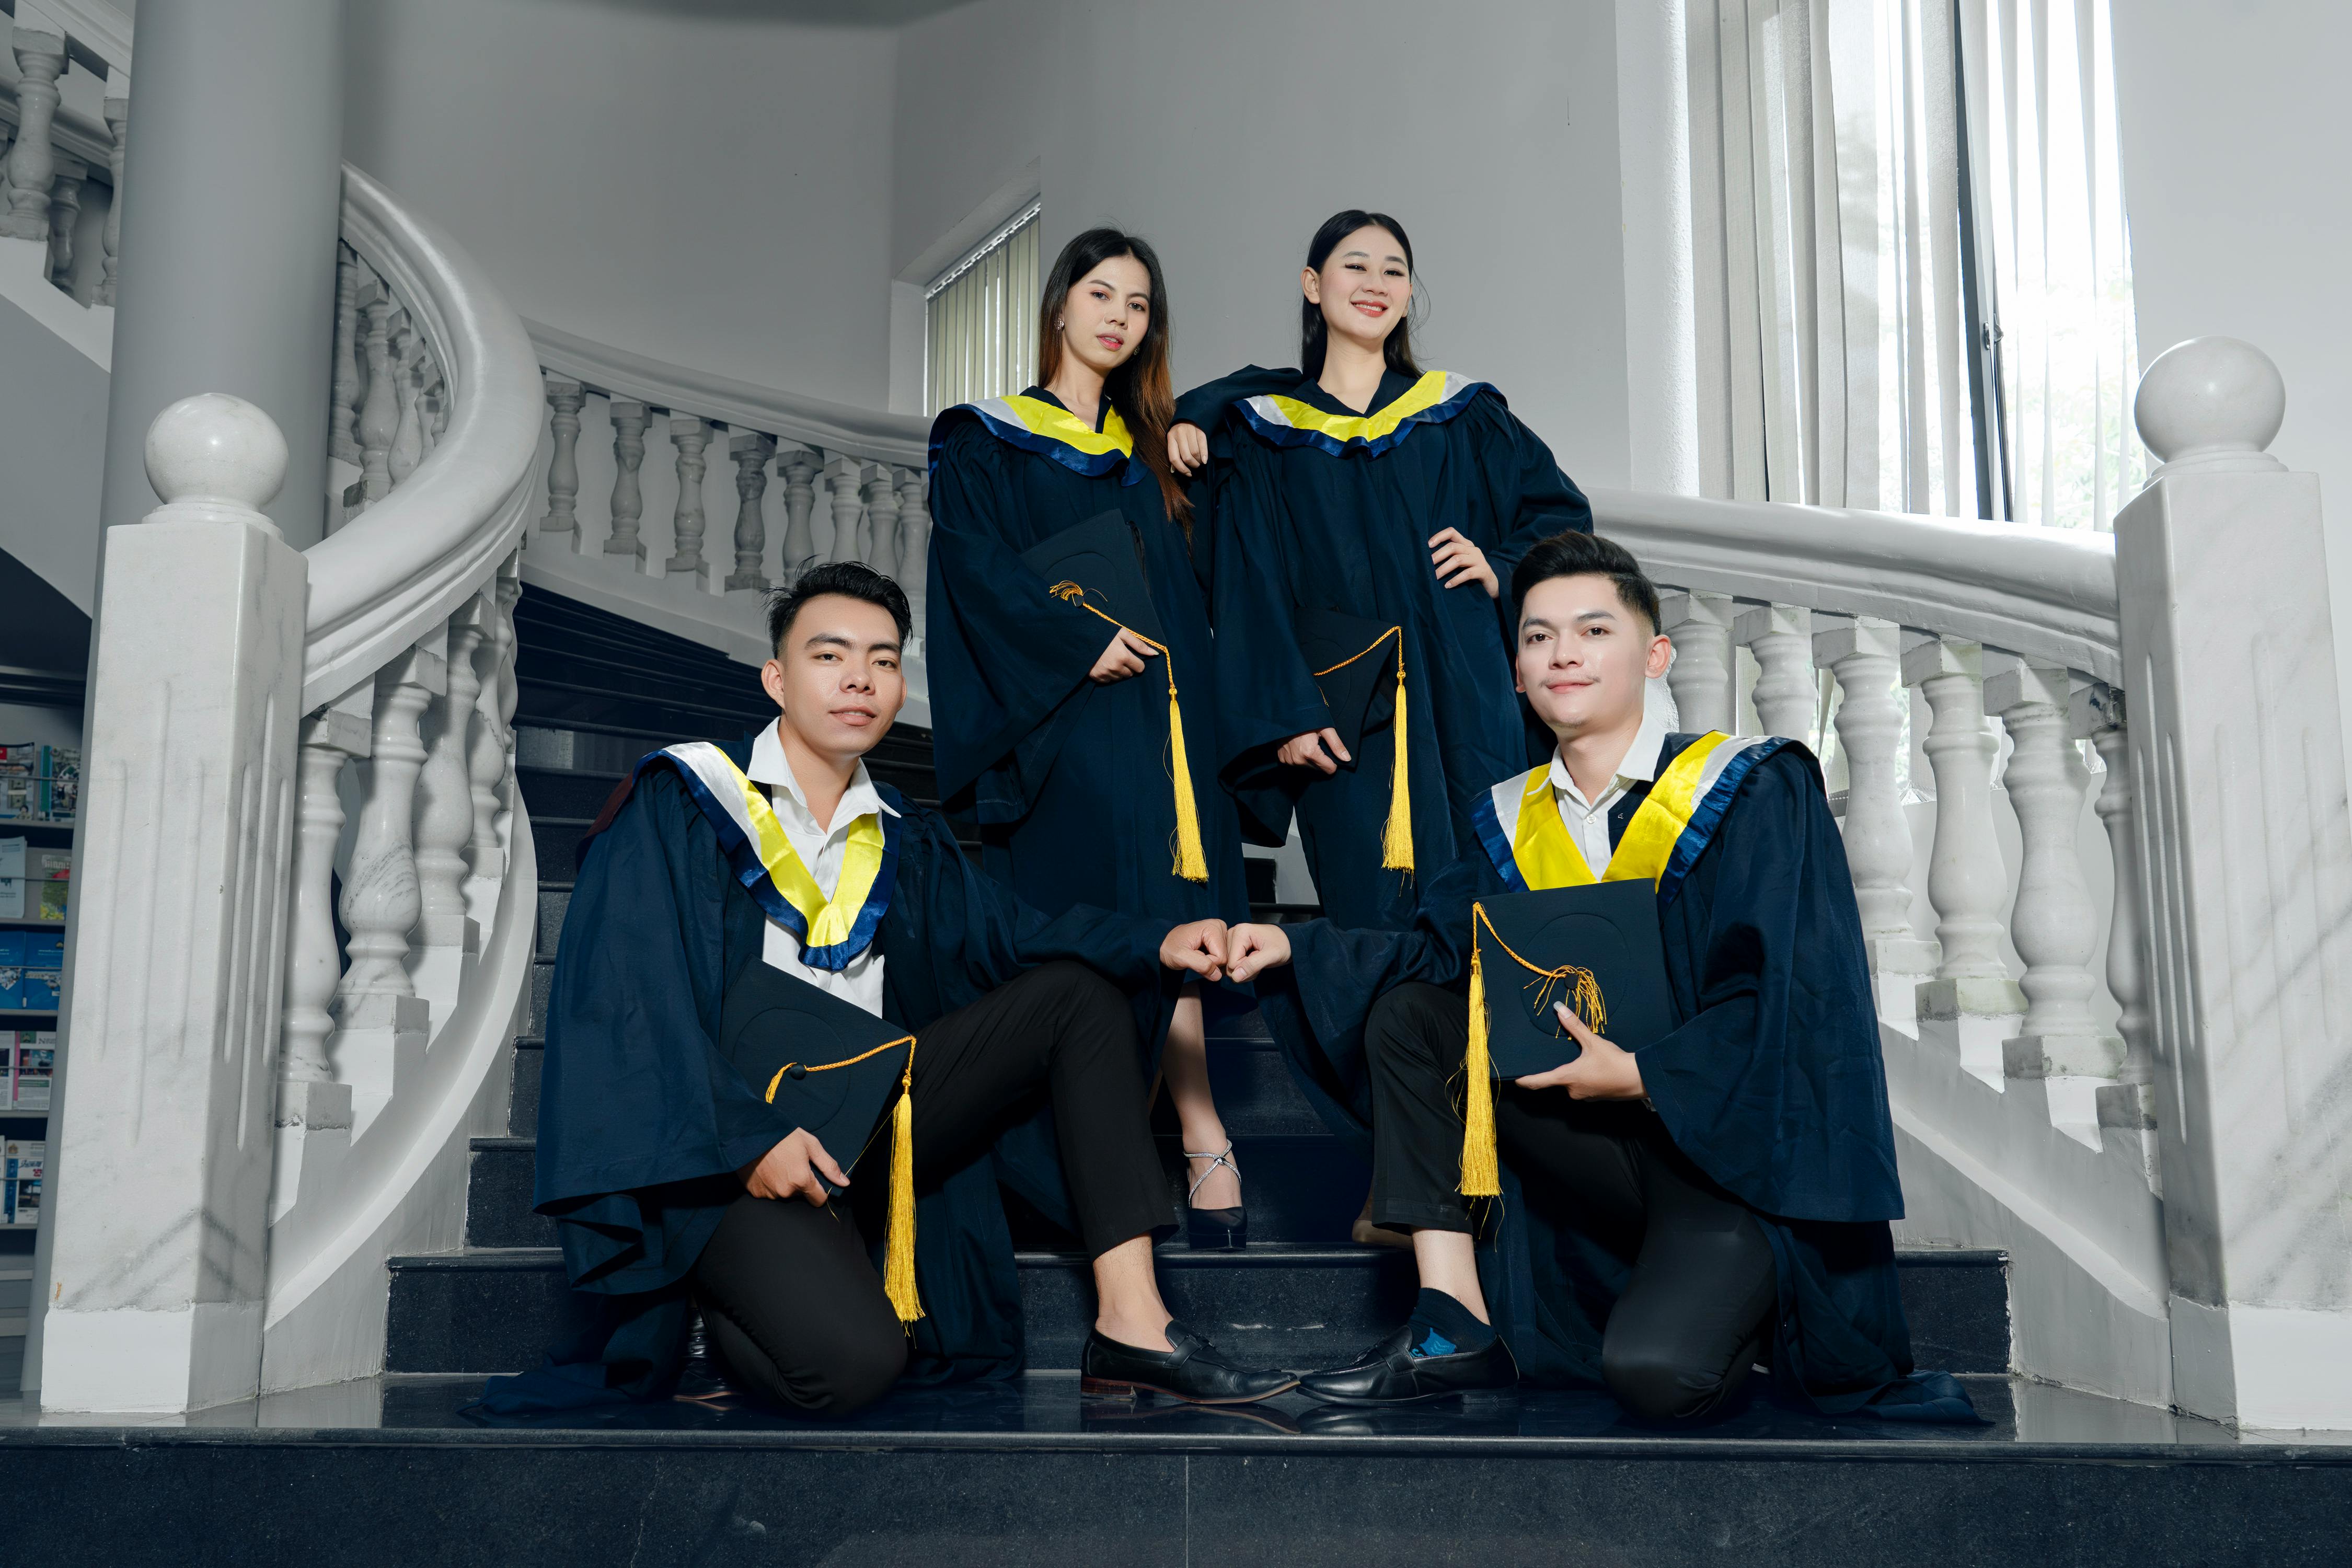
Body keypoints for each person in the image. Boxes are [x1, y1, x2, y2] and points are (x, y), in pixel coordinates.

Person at [485, 563, 1295, 1421]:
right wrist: (749, 1141)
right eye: (830, 656)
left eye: (882, 660)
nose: (859, 680)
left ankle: (1134, 1325)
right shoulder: (683, 800)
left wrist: (1158, 940)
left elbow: (1014, 933)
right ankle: (719, 1303)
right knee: (853, 1368)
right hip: (728, 1142)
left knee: (1076, 996)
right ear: (777, 678)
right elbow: (630, 1001)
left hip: (876, 1111)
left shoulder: (905, 837)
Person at [1218, 532, 1980, 1425]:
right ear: (1515, 672)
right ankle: (1452, 1322)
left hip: (1727, 1168)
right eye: (1538, 637)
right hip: (1589, 1163)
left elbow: (1800, 1002)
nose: (1563, 654)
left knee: (1658, 1380)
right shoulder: (1505, 820)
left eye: (1592, 630)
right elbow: (1434, 952)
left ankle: (1751, 1299)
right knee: (1413, 1016)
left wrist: (1646, 1073)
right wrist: (1294, 948)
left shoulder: (1754, 789)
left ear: (1654, 655)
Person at [1163, 211, 1594, 1189]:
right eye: (1354, 265)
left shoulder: (1461, 413)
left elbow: (1560, 515)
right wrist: (1281, 714)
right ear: (1312, 285)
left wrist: (1507, 564)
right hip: (1343, 723)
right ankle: (1403, 1171)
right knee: (1370, 932)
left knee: (1493, 918)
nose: (1376, 281)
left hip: (1469, 703)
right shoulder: (1267, 432)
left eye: (1394, 268)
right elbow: (1248, 582)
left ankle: (1506, 1168)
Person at [927, 228, 1256, 1246]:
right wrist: (1076, 641)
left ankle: (1194, 1125)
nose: (1119, 315)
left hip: (1162, 727)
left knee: (1180, 910)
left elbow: (1275, 407)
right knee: (1100, 934)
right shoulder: (983, 437)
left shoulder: (1149, 454)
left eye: (1141, 304)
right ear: (1060, 306)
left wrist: (1196, 423)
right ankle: (1110, 1152)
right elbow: (974, 570)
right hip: (1063, 721)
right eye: (1101, 293)